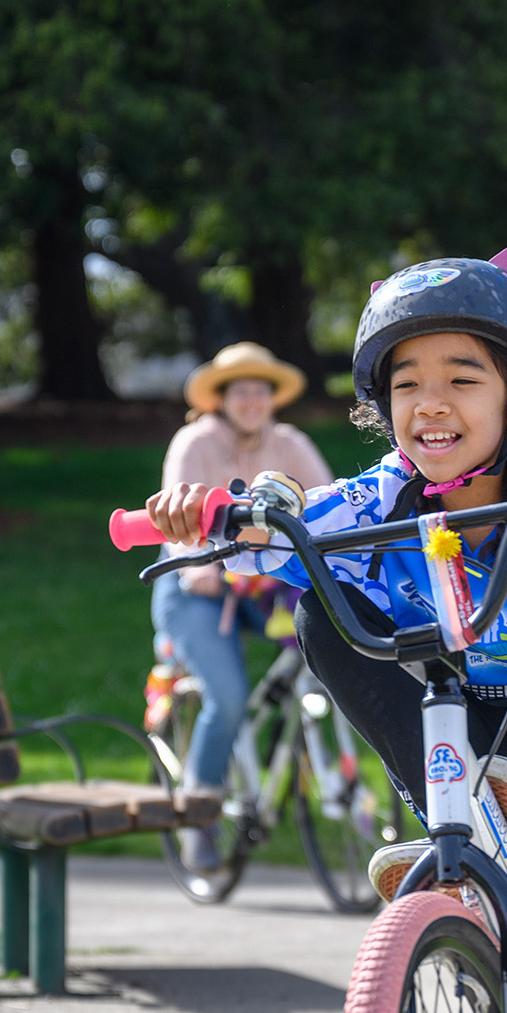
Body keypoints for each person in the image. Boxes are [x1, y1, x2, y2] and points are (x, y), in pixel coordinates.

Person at [145, 249, 507, 893]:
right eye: (407, 385)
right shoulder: (380, 500)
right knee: (321, 603)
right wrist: (211, 516)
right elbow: (286, 531)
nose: (430, 406)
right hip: (460, 748)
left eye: (462, 381)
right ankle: (458, 816)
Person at [150, 342, 334, 872]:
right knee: (227, 696)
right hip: (196, 590)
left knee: (327, 633)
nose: (252, 400)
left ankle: (300, 738)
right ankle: (200, 815)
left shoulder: (290, 443)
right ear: (221, 399)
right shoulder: (195, 442)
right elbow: (176, 521)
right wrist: (200, 567)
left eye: (261, 390)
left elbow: (329, 507)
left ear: (272, 399)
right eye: (241, 391)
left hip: (263, 587)